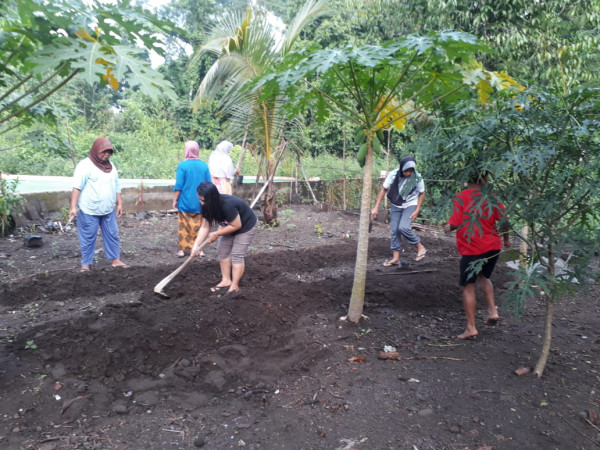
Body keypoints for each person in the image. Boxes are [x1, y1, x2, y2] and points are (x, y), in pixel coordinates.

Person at [443, 171, 510, 340]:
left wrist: (446, 227)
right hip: (493, 247)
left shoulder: (462, 196)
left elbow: (454, 224)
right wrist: (507, 240)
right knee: (484, 276)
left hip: (473, 248)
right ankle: (492, 310)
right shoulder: (492, 197)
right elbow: (504, 221)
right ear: (486, 179)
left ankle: (471, 327)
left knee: (468, 286)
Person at [69, 137, 128, 272]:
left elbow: (116, 186)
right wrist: (73, 207)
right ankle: (86, 264)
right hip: (89, 210)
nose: (106, 155)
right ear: (96, 150)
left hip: (108, 209)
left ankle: (115, 259)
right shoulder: (85, 166)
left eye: (109, 152)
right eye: (103, 152)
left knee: (112, 234)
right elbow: (77, 187)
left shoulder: (111, 167)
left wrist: (119, 203)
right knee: (88, 237)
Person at [191, 181, 257, 294]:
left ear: (211, 198)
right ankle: (226, 280)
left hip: (245, 225)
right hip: (228, 225)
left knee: (237, 254)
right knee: (222, 251)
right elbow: (205, 226)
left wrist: (217, 233)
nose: (201, 203)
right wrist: (196, 245)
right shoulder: (206, 205)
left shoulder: (228, 205)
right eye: (199, 199)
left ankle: (234, 286)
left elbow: (237, 225)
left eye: (203, 200)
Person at [371, 156, 427, 265]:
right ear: (401, 168)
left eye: (411, 171)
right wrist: (376, 206)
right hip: (396, 204)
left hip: (410, 204)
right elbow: (384, 189)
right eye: (406, 171)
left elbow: (422, 193)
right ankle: (396, 258)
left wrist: (417, 210)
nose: (408, 173)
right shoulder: (393, 175)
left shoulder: (417, 178)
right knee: (394, 230)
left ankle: (420, 247)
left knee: (403, 227)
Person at [173, 141, 212, 258]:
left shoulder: (182, 166)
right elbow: (209, 184)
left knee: (183, 226)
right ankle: (199, 250)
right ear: (197, 150)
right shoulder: (204, 166)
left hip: (185, 202)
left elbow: (179, 185)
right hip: (200, 203)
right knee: (200, 226)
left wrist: (175, 200)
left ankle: (182, 250)